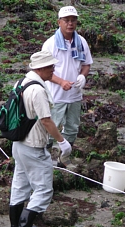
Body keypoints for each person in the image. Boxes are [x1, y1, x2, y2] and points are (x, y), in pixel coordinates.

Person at [9, 50, 72, 227]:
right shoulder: (37, 90)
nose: (53, 70)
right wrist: (62, 141)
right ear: (41, 68)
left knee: (20, 185)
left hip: (18, 145)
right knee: (44, 189)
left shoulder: (20, 82)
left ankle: (14, 226)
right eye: (51, 66)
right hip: (33, 146)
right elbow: (46, 121)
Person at [41, 6, 93, 167]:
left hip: (75, 94)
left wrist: (82, 76)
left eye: (73, 20)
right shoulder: (50, 44)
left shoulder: (81, 42)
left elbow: (86, 64)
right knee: (52, 126)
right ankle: (45, 155)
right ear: (59, 22)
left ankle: (64, 157)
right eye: (66, 20)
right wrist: (61, 82)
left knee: (72, 127)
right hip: (56, 94)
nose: (70, 23)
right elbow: (43, 70)